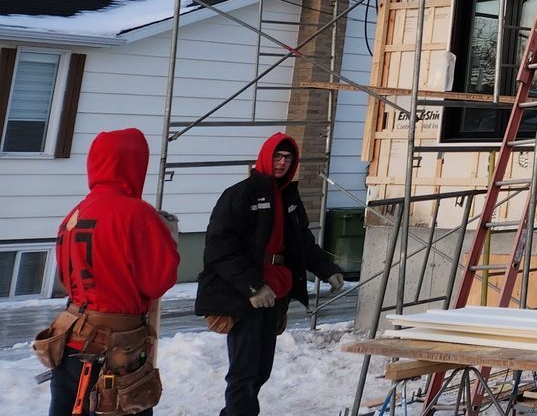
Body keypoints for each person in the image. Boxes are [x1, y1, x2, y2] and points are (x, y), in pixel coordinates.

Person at [195, 134, 343, 416]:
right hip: (246, 297)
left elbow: (302, 242)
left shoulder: (288, 197)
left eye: (288, 158)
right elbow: (220, 249)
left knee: (261, 368)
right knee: (244, 370)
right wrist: (253, 286)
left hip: (276, 293)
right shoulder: (239, 195)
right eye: (277, 156)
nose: (282, 163)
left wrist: (328, 270)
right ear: (265, 157)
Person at [36, 127, 179, 416]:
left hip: (70, 340)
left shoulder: (76, 213)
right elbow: (158, 281)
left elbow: (66, 277)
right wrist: (164, 239)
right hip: (115, 351)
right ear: (135, 164)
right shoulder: (137, 213)